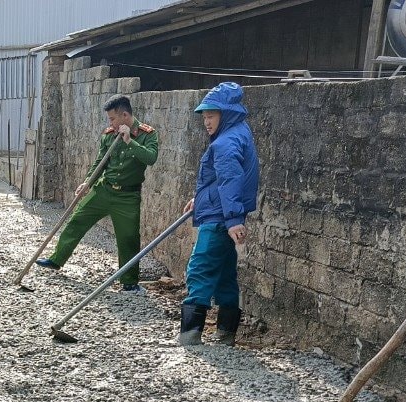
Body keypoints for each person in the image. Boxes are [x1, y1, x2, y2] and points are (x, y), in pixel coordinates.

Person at [36, 94, 158, 294]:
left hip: (128, 197)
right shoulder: (109, 134)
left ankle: (129, 281)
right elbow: (100, 162)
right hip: (104, 189)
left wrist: (130, 141)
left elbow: (151, 158)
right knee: (76, 221)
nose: (110, 123)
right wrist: (87, 183)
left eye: (112, 119)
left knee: (128, 238)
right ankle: (57, 260)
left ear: (125, 115)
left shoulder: (147, 134)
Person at [176, 82, 259, 346]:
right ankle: (226, 333)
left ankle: (190, 334)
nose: (206, 122)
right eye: (204, 116)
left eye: (211, 115)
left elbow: (231, 179)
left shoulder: (224, 142)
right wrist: (199, 201)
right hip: (220, 211)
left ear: (227, 113)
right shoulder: (239, 132)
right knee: (224, 275)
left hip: (220, 218)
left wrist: (233, 219)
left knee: (199, 268)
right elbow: (219, 180)